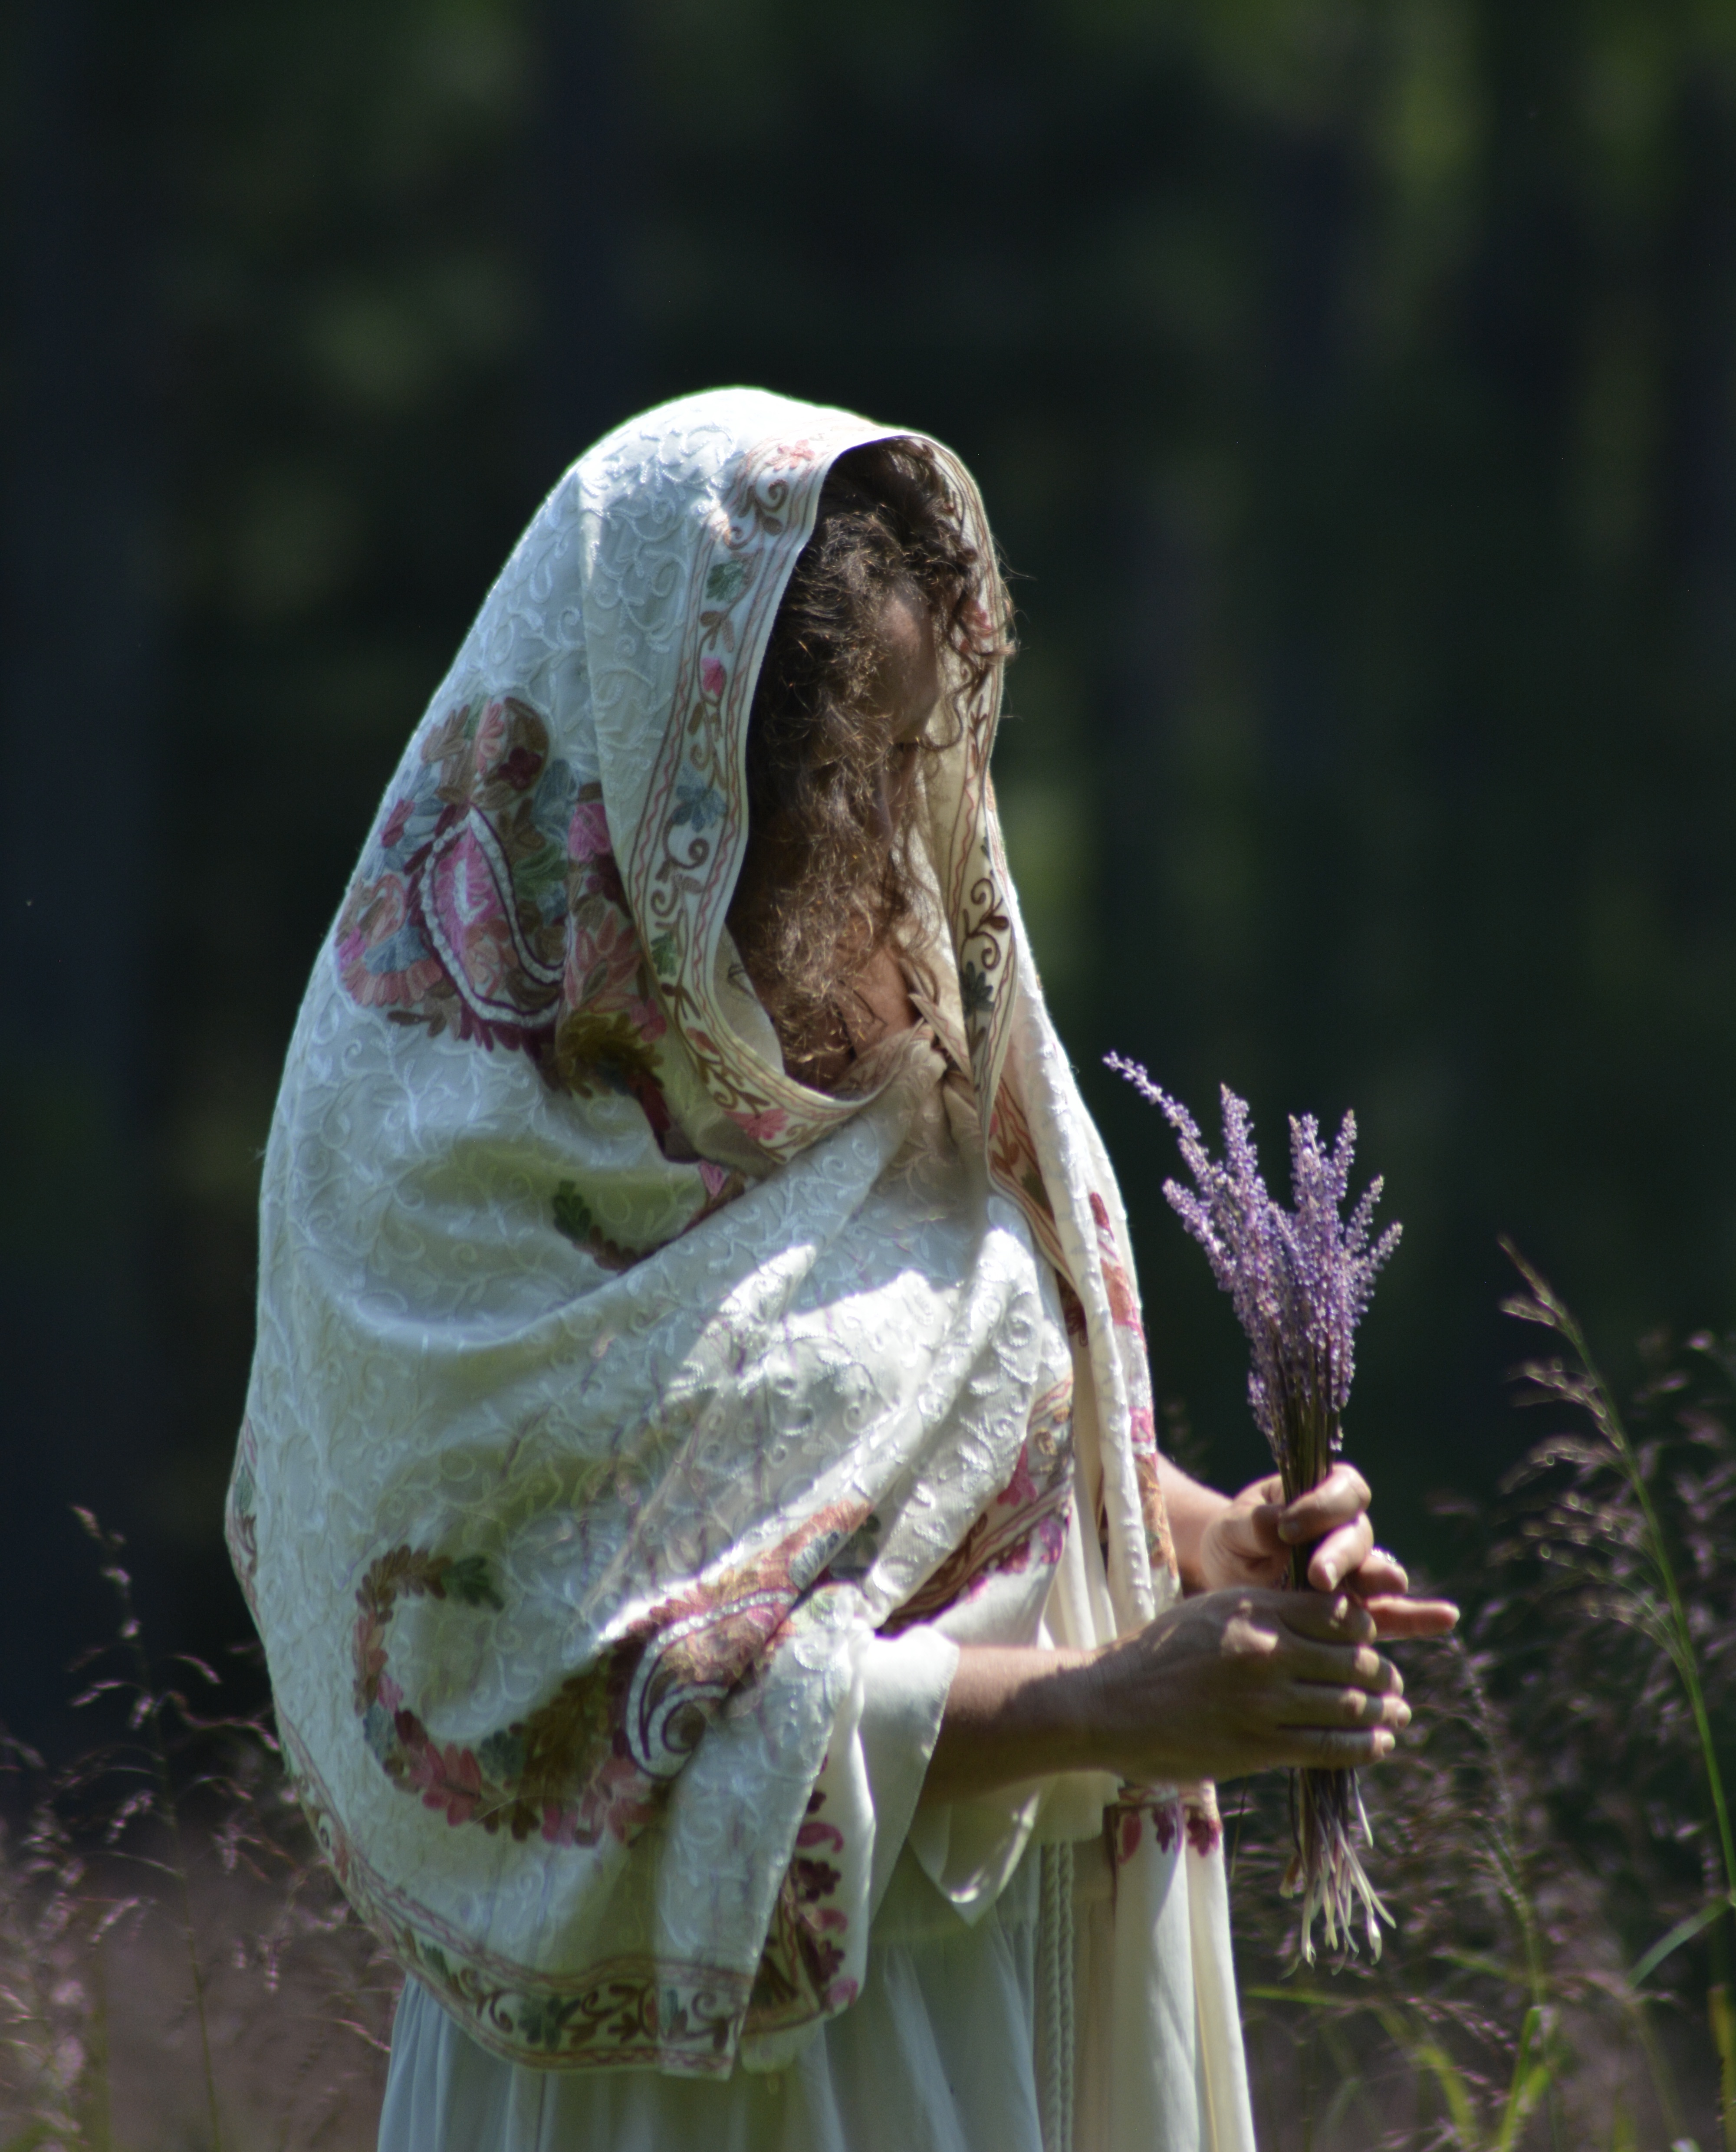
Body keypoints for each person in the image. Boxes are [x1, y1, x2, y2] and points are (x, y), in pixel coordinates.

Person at [227, 389, 1455, 2152]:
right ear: (670, 747)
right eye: (839, 772)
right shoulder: (443, 1172)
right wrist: (1110, 1704)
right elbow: (569, 1726)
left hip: (1000, 2005)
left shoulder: (913, 1053)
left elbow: (967, 1423)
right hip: (694, 2081)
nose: (898, 830)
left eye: (923, 751)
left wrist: (1196, 1532)